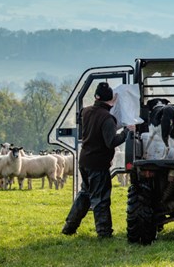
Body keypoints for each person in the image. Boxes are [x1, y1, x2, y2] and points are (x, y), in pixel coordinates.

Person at [61, 81, 135, 238]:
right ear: (112, 100)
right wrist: (127, 132)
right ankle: (104, 233)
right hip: (98, 164)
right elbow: (111, 142)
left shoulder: (85, 112)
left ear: (96, 96)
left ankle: (69, 227)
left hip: (84, 160)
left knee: (85, 194)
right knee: (101, 199)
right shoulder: (107, 118)